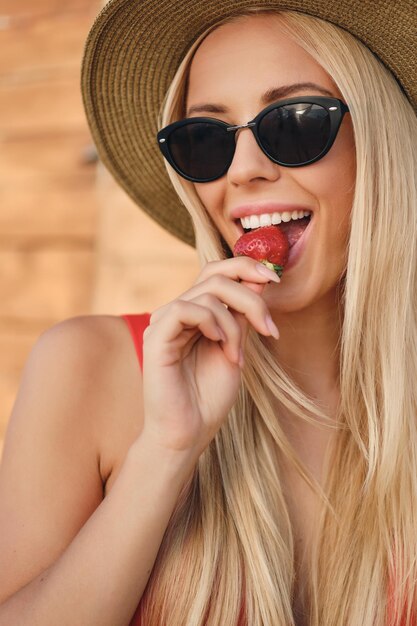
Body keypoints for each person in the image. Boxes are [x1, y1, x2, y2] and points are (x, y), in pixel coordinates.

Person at [0, 0, 415, 624]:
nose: (244, 171)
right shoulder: (87, 368)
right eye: (205, 139)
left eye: (296, 122)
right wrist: (164, 452)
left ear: (382, 144)